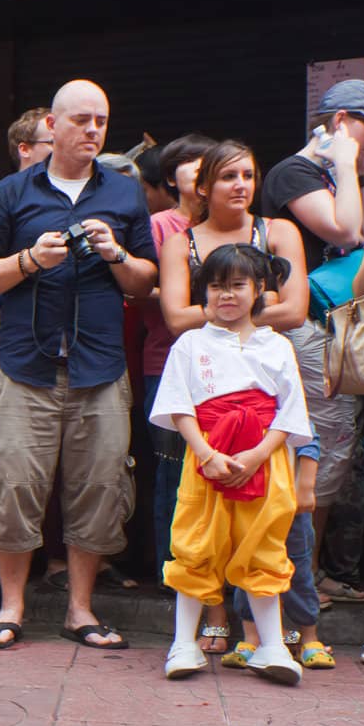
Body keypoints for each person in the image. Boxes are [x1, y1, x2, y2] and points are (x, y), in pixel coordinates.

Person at [0, 79, 159, 650]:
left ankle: (80, 610)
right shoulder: (10, 193)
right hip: (27, 366)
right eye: (80, 120)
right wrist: (28, 260)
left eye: (100, 120)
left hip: (100, 367)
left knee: (100, 487)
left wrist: (115, 253)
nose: (93, 131)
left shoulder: (124, 193)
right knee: (14, 484)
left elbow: (147, 282)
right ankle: (12, 608)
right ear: (51, 125)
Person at [153, 244, 311, 684]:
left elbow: (291, 412)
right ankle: (184, 643)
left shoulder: (277, 345)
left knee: (264, 546)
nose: (227, 295)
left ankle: (272, 646)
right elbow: (178, 405)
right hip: (206, 458)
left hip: (265, 460)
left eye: (238, 285)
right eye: (217, 286)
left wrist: (258, 453)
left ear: (259, 289)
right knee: (196, 542)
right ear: (204, 291)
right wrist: (206, 453)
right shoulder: (190, 342)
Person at [262, 79, 364, 604]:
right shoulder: (294, 172)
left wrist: (361, 171)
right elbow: (347, 232)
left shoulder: (342, 173)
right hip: (306, 328)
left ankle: (306, 571)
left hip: (338, 325)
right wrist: (345, 163)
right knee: (318, 445)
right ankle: (297, 573)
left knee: (334, 449)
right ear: (339, 122)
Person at [139, 133, 217, 606]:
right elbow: (139, 290)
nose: (203, 172)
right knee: (171, 467)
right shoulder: (159, 226)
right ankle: (172, 573)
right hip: (165, 360)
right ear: (172, 177)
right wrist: (179, 299)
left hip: (221, 367)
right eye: (192, 164)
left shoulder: (228, 225)